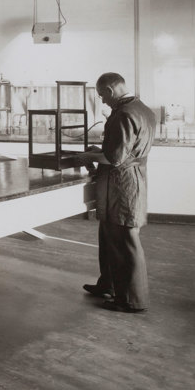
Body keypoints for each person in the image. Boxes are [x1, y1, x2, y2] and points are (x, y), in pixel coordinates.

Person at [74, 72, 156, 313]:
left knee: (124, 239)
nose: (102, 101)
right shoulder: (142, 109)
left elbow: (115, 158)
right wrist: (99, 149)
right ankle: (108, 284)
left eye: (101, 95)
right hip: (131, 178)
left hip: (122, 184)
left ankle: (131, 299)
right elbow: (127, 149)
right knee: (109, 236)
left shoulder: (123, 114)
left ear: (110, 91)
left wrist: (87, 156)